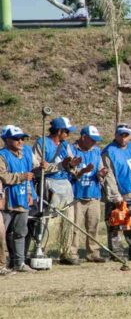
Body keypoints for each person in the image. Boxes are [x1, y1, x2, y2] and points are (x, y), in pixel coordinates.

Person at [32, 116, 81, 265]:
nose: (68, 134)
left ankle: (66, 252)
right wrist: (57, 166)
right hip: (49, 182)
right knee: (49, 219)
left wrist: (72, 165)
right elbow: (37, 167)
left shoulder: (65, 145)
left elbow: (70, 163)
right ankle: (42, 250)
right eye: (66, 131)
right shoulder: (42, 143)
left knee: (68, 219)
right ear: (59, 130)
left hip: (64, 183)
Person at [101, 123, 131, 262]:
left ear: (130, 135)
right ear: (115, 135)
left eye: (126, 135)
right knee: (115, 224)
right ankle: (116, 252)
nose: (123, 138)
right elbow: (108, 177)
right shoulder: (109, 152)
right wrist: (116, 197)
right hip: (117, 195)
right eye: (120, 135)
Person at [68, 126, 109, 263]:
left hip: (93, 194)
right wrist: (83, 170)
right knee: (75, 227)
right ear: (83, 137)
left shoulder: (97, 151)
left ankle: (93, 253)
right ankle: (72, 253)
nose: (94, 143)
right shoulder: (71, 150)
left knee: (93, 225)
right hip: (76, 195)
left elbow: (99, 169)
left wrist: (101, 174)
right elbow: (70, 172)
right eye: (92, 140)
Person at [0, 126, 38, 273]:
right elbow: (3, 176)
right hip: (7, 200)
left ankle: (19, 263)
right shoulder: (2, 155)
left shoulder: (24, 154)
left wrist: (29, 193)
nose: (20, 141)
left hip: (22, 197)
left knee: (21, 232)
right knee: (2, 234)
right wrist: (21, 177)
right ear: (6, 139)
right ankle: (2, 264)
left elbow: (28, 177)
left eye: (22, 138)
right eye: (16, 139)